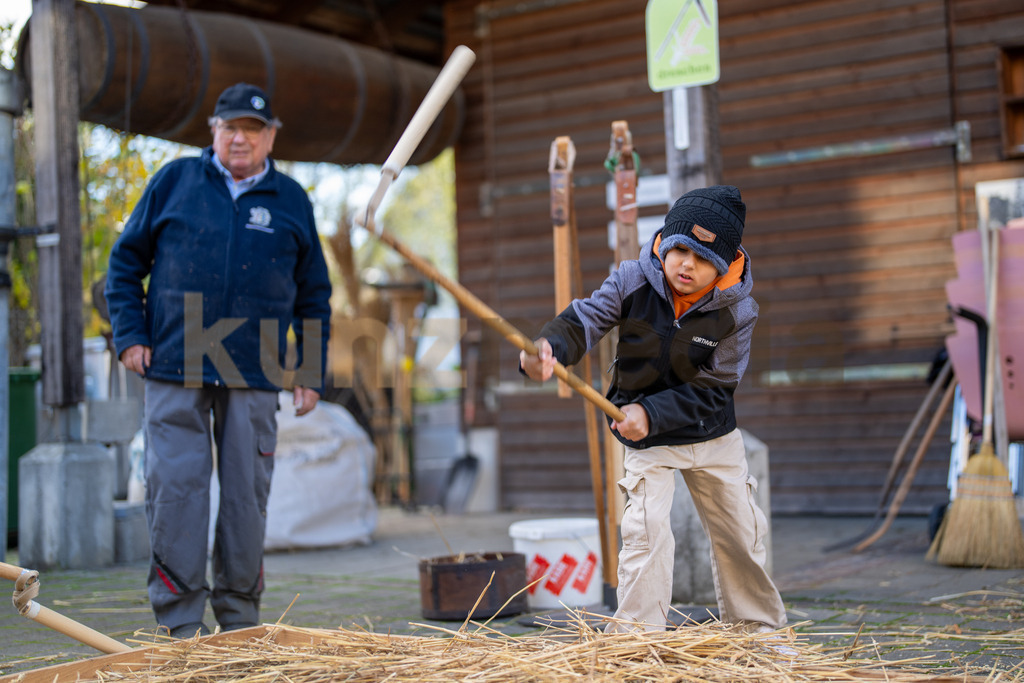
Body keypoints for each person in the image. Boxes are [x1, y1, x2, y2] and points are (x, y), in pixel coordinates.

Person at [105, 82, 332, 639]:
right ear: (213, 131)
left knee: (245, 498)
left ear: (271, 137)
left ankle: (239, 626)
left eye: (252, 131)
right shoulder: (174, 182)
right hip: (174, 361)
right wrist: (130, 335)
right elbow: (124, 264)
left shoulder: (292, 200)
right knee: (175, 492)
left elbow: (314, 296)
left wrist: (309, 371)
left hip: (253, 368)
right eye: (230, 128)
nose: (240, 139)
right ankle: (182, 626)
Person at [520, 185, 786, 633]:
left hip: (711, 434)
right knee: (646, 534)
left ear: (723, 266)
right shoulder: (632, 279)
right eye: (680, 249)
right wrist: (546, 350)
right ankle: (636, 640)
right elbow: (585, 318)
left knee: (741, 534)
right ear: (665, 240)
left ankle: (759, 634)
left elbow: (716, 389)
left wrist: (654, 413)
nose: (686, 264)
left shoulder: (737, 310)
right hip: (645, 435)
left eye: (703, 260)